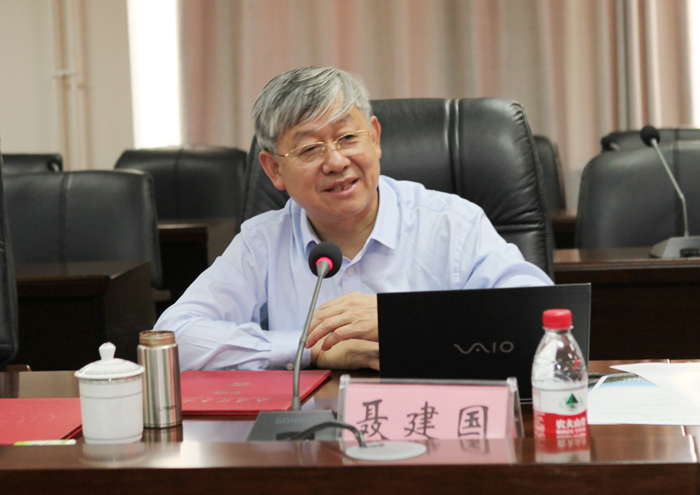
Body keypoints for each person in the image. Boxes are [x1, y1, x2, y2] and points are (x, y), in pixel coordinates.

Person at [154, 66, 553, 372]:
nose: (335, 161)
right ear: (274, 169)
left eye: (347, 138)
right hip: (310, 442)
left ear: (374, 138)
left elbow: (541, 319)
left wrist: (402, 322)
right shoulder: (262, 243)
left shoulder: (452, 224)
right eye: (309, 149)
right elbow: (174, 338)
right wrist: (309, 349)